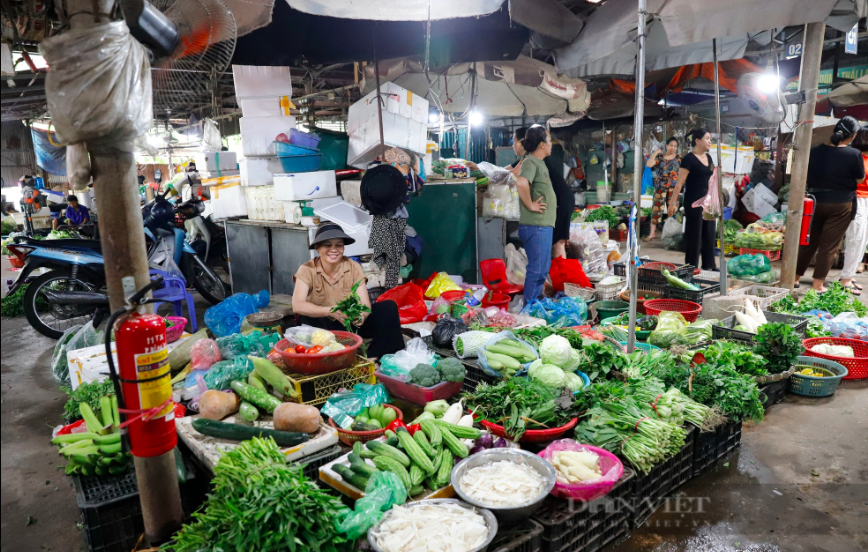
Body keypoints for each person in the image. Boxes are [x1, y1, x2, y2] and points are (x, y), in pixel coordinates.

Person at [292, 223, 404, 359]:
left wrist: (361, 316)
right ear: (317, 248)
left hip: (347, 323)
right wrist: (330, 311)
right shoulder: (307, 269)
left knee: (388, 308)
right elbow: (297, 305)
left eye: (338, 245)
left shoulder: (353, 267)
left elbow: (365, 305)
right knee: (306, 318)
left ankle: (373, 357)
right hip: (322, 327)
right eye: (328, 245)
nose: (334, 249)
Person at [796, 116, 864, 292]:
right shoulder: (854, 154)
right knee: (829, 246)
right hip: (840, 205)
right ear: (853, 135)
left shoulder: (815, 151)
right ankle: (817, 285)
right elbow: (860, 178)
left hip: (815, 202)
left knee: (809, 242)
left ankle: (794, 278)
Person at [516, 125, 556, 303]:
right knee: (537, 269)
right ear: (541, 144)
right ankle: (529, 309)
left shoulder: (538, 163)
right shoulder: (531, 162)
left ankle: (534, 302)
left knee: (542, 268)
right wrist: (531, 205)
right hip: (536, 225)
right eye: (549, 140)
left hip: (542, 225)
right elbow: (521, 183)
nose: (551, 144)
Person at [668, 129, 717, 271]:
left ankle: (709, 265)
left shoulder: (709, 158)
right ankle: (690, 267)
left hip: (708, 201)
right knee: (694, 234)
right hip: (693, 201)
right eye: (707, 138)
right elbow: (680, 183)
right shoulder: (688, 159)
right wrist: (672, 202)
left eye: (710, 139)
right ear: (697, 140)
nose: (709, 141)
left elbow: (712, 178)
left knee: (709, 232)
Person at [839, 144, 868, 295]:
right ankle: (846, 278)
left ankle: (850, 275)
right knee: (855, 238)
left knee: (862, 240)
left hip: (865, 200)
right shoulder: (857, 157)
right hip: (858, 198)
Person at [646, 137, 682, 241]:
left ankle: (674, 234)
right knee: (656, 210)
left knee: (674, 211)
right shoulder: (660, 157)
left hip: (674, 189)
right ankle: (652, 233)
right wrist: (656, 153)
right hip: (660, 188)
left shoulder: (679, 158)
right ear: (666, 146)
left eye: (675, 146)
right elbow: (649, 164)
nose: (673, 148)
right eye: (671, 145)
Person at [545, 138, 576, 258]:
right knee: (557, 242)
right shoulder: (533, 160)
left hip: (563, 201)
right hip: (563, 200)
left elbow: (511, 172)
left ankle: (563, 275)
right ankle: (560, 273)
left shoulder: (535, 160)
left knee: (558, 243)